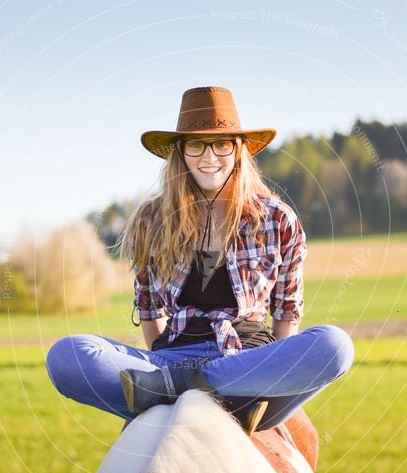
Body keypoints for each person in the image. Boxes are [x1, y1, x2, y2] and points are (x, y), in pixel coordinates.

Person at [46, 86, 354, 434]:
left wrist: (272, 376)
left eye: (221, 143)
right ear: (181, 153)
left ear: (238, 149)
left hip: (248, 363)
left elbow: (286, 316)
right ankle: (200, 390)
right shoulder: (152, 219)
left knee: (335, 346)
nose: (210, 156)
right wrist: (164, 367)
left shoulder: (277, 219)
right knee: (66, 356)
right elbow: (150, 314)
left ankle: (174, 391)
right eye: (196, 144)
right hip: (172, 358)